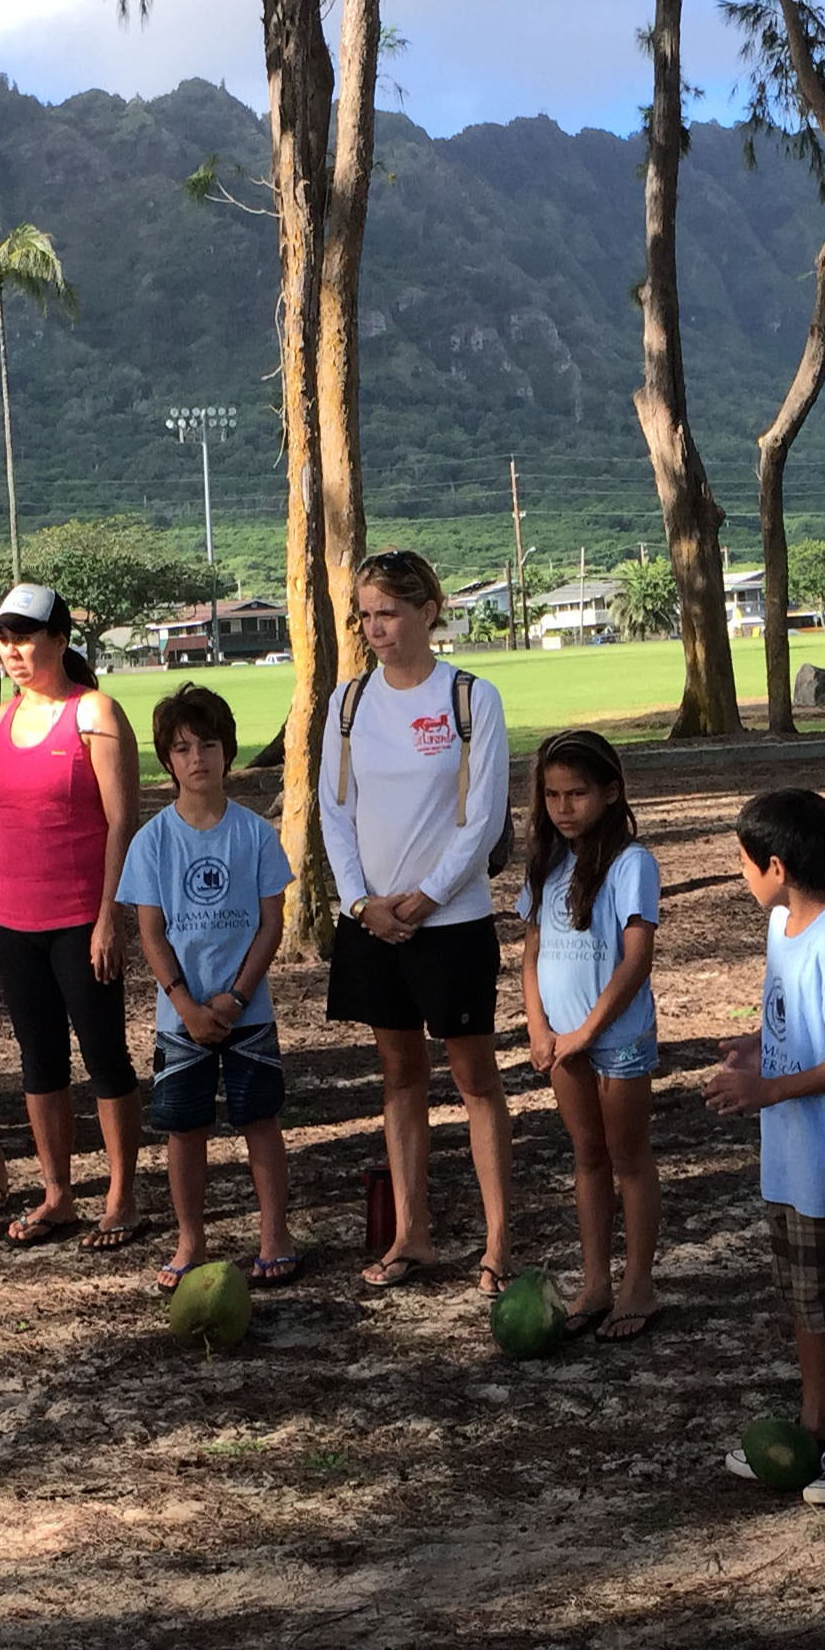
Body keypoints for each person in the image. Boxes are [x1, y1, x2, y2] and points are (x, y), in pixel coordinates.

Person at [318, 551, 523, 1286]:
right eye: (367, 614)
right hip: (374, 927)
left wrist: (429, 896)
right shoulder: (347, 705)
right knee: (400, 1076)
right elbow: (334, 814)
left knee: (474, 1080)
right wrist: (361, 904)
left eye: (391, 613)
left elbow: (481, 817)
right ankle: (412, 1235)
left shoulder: (473, 698)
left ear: (429, 610)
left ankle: (499, 1242)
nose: (377, 629)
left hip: (454, 923)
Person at [709, 790, 825, 1502]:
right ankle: (818, 1422)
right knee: (804, 1296)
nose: (742, 876)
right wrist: (758, 1048)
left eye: (745, 864)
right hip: (791, 1158)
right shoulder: (784, 924)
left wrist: (766, 1092)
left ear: (778, 865)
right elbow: (801, 1024)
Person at [0, 588, 142, 1245]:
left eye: (24, 635)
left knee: (104, 1057)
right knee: (39, 1061)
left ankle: (122, 1195)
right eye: (2, 637)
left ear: (59, 639)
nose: (11, 648)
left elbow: (122, 822)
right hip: (14, 921)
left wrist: (106, 918)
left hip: (78, 919)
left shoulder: (94, 712)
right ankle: (58, 1193)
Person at [118, 688, 295, 1278]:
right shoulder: (152, 842)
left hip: (249, 1013)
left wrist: (237, 995)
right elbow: (152, 933)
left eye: (209, 745)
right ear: (167, 760)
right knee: (184, 1130)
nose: (198, 758)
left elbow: (272, 923)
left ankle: (274, 1236)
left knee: (259, 1121)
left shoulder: (255, 834)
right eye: (183, 747)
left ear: (228, 751)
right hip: (180, 1020)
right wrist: (186, 1005)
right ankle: (190, 1242)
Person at [512, 732, 665, 1336]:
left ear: (610, 792)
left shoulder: (633, 864)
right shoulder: (546, 863)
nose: (564, 806)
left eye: (577, 793)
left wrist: (586, 1031)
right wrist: (539, 1027)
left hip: (616, 1037)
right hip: (560, 1041)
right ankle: (596, 1281)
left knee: (628, 1156)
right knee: (586, 1156)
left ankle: (639, 1284)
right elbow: (531, 952)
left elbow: (635, 959)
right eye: (552, 794)